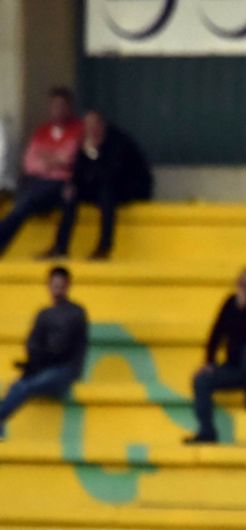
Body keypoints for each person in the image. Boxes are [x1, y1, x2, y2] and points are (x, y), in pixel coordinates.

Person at [185, 267, 246, 445]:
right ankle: (207, 432)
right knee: (201, 379)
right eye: (242, 284)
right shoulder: (230, 304)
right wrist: (209, 362)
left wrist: (243, 310)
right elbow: (216, 333)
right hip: (237, 367)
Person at [40, 110, 151, 261]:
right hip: (99, 185)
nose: (90, 130)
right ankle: (60, 247)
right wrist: (72, 185)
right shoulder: (85, 141)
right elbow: (79, 170)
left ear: (102, 125)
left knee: (106, 196)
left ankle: (104, 247)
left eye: (93, 126)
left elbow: (111, 173)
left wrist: (93, 152)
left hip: (126, 187)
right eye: (87, 126)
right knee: (70, 196)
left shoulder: (117, 141)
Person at [0, 266, 87, 441]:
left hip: (65, 371)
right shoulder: (44, 314)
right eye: (53, 284)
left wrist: (37, 363)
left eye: (60, 285)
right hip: (45, 368)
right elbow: (33, 344)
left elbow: (60, 349)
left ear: (67, 285)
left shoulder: (75, 313)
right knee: (19, 385)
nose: (56, 289)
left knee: (26, 386)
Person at [0, 88, 81, 258]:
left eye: (62, 106)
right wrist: (54, 161)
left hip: (61, 183)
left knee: (27, 203)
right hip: (37, 182)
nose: (58, 110)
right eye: (54, 106)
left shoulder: (77, 130)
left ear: (69, 107)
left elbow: (70, 159)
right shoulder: (42, 131)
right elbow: (29, 162)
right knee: (20, 204)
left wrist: (46, 159)